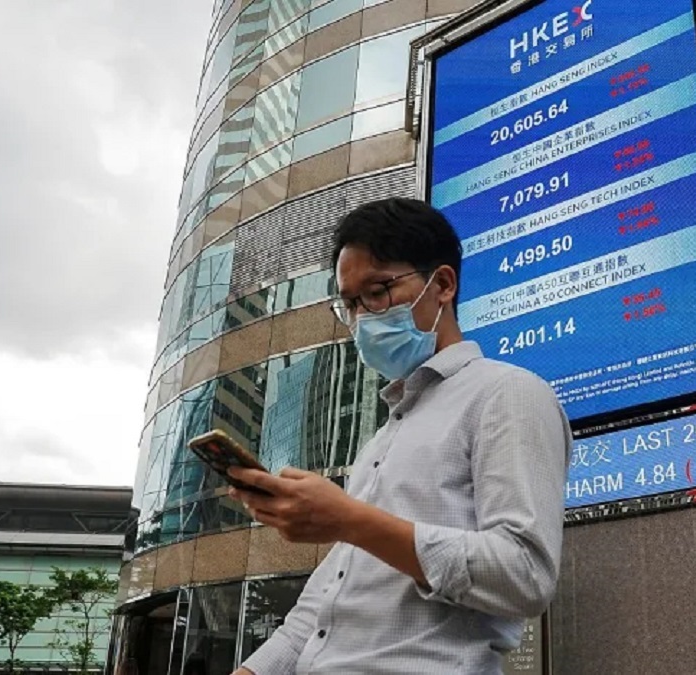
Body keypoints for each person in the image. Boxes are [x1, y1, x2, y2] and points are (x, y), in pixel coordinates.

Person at [227, 197, 572, 674]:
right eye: (350, 304)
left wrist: (350, 520)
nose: (362, 319)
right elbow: (322, 608)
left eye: (378, 291)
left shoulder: (507, 393)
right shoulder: (382, 439)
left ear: (443, 284)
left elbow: (525, 575)